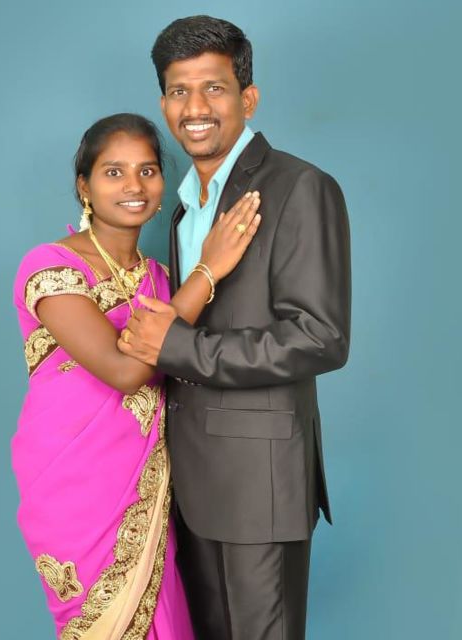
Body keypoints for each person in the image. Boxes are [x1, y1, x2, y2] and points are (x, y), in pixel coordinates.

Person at [118, 17, 352, 640]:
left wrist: (177, 347)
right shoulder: (182, 208)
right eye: (178, 90)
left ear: (248, 98)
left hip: (260, 485)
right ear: (164, 104)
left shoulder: (301, 187)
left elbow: (320, 336)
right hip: (188, 484)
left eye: (214, 88)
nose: (195, 108)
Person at [11, 113, 261, 639]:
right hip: (74, 487)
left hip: (148, 491)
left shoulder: (161, 281)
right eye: (114, 172)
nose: (134, 186)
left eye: (147, 171)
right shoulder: (51, 268)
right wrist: (209, 271)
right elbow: (126, 371)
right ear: (84, 186)